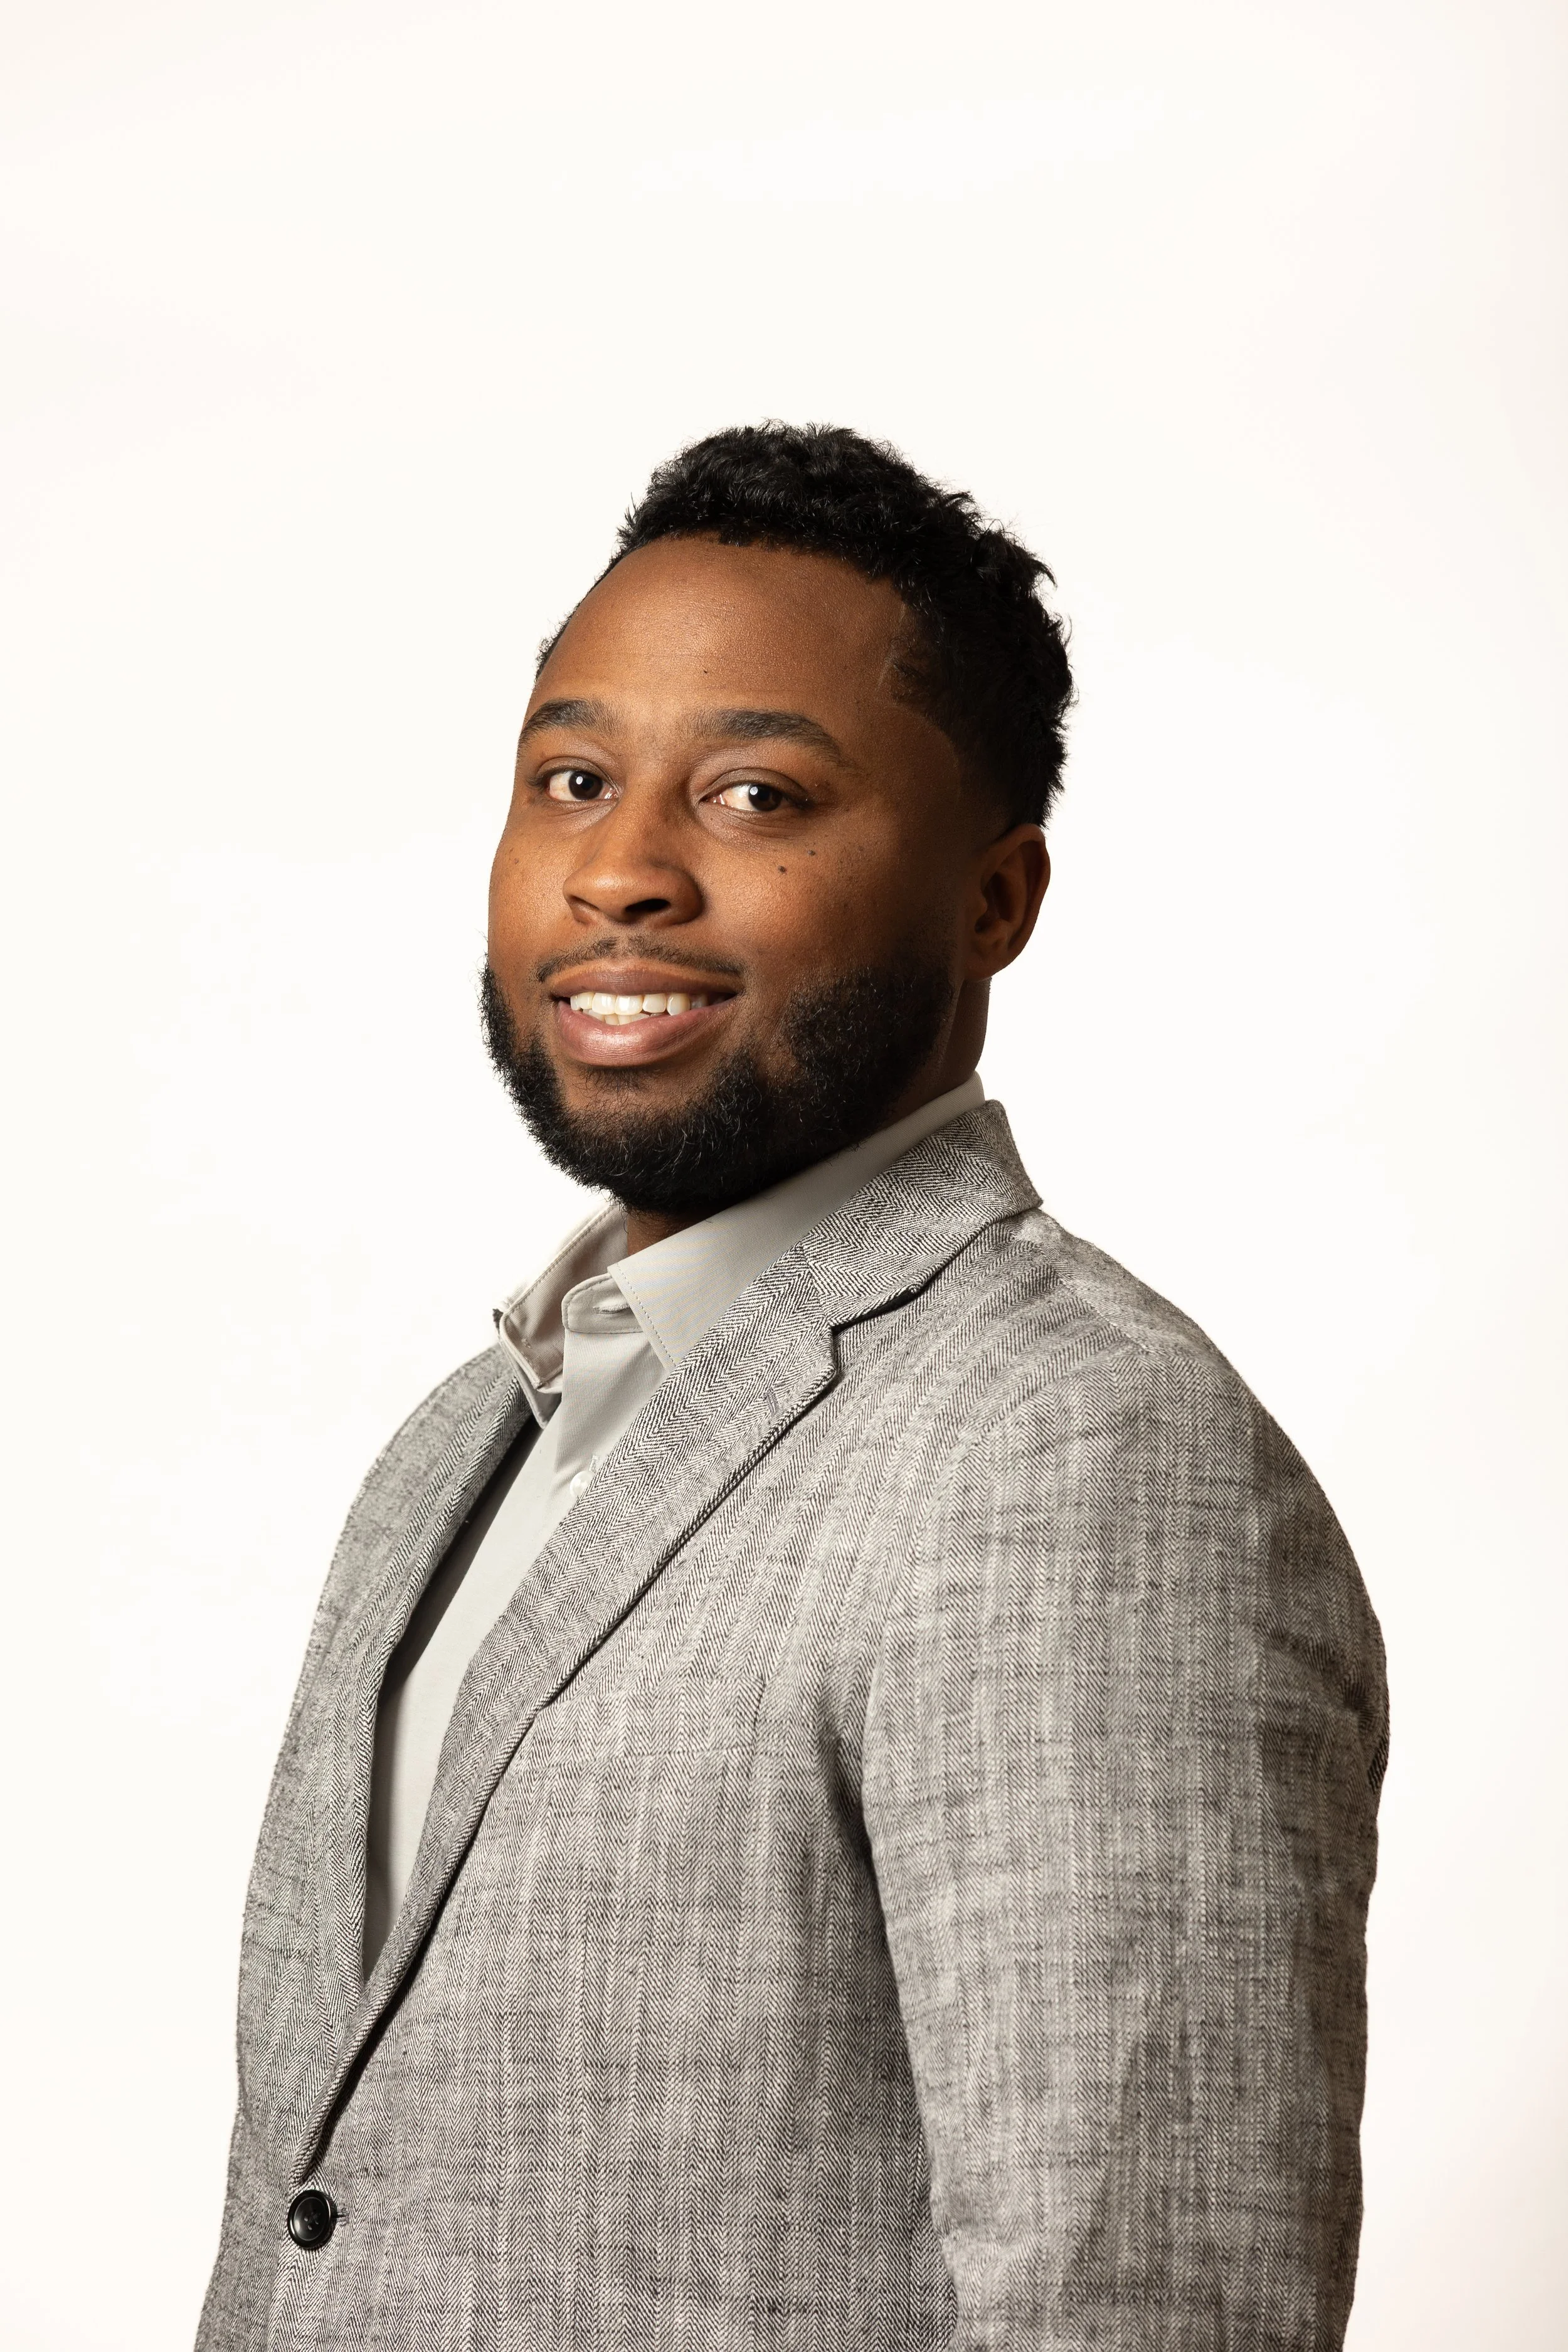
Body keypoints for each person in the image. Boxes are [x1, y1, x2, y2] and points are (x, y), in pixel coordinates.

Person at [196, 424, 1387, 2352]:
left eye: (757, 792)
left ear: (993, 899)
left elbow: (1147, 2302)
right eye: (572, 778)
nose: (620, 871)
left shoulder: (1076, 1450)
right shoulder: (462, 1442)